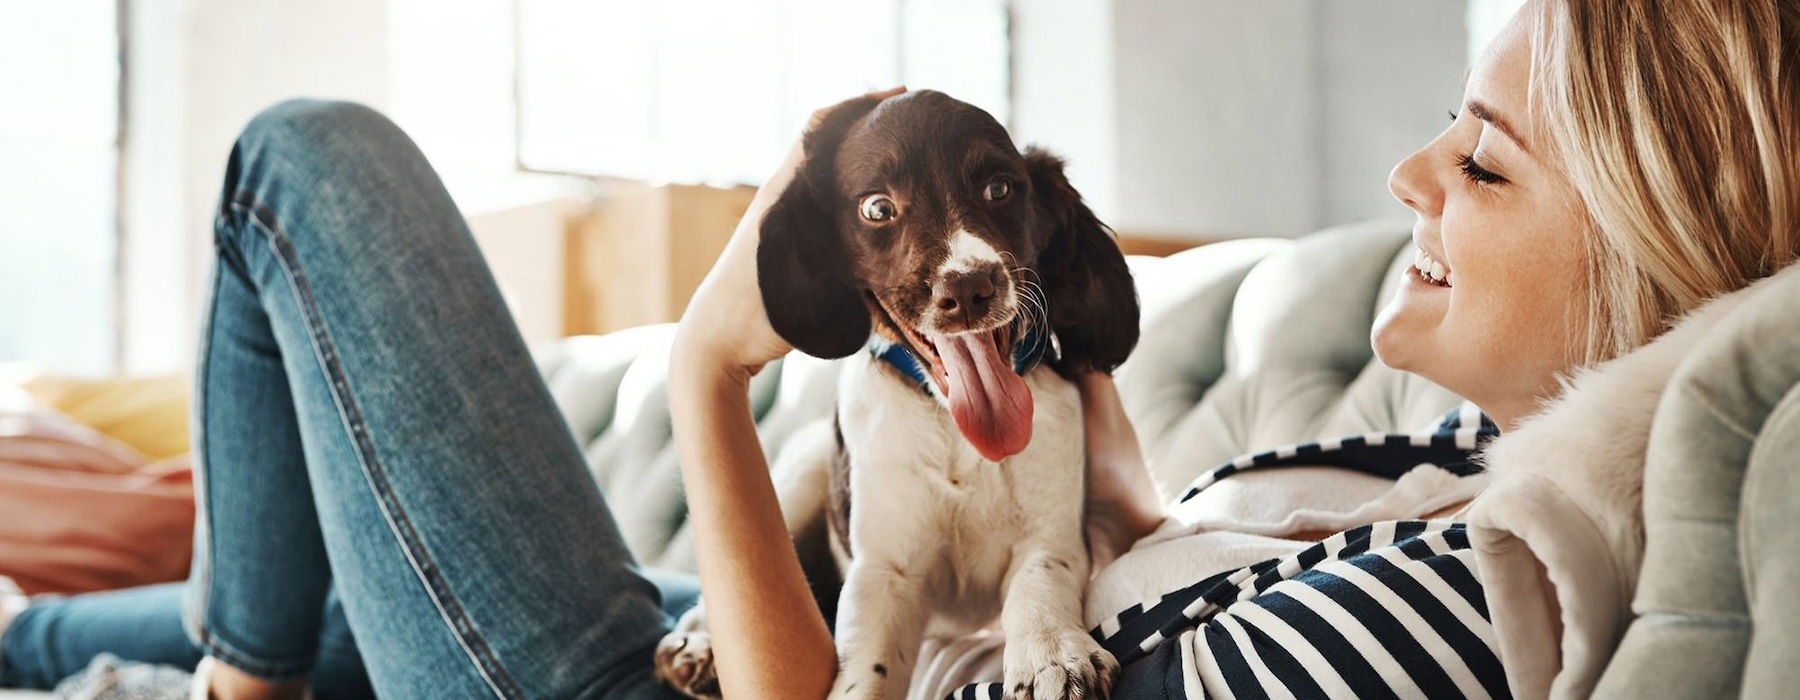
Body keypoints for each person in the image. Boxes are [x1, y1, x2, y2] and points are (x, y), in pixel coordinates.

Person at [2, 0, 1794, 697]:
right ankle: (44, 631)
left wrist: (716, 373)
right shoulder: (1411, 480)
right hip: (706, 638)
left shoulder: (1462, 601)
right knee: (303, 574)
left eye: (1482, 162)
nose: (1407, 172)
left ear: (1650, 272)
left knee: (303, 162)